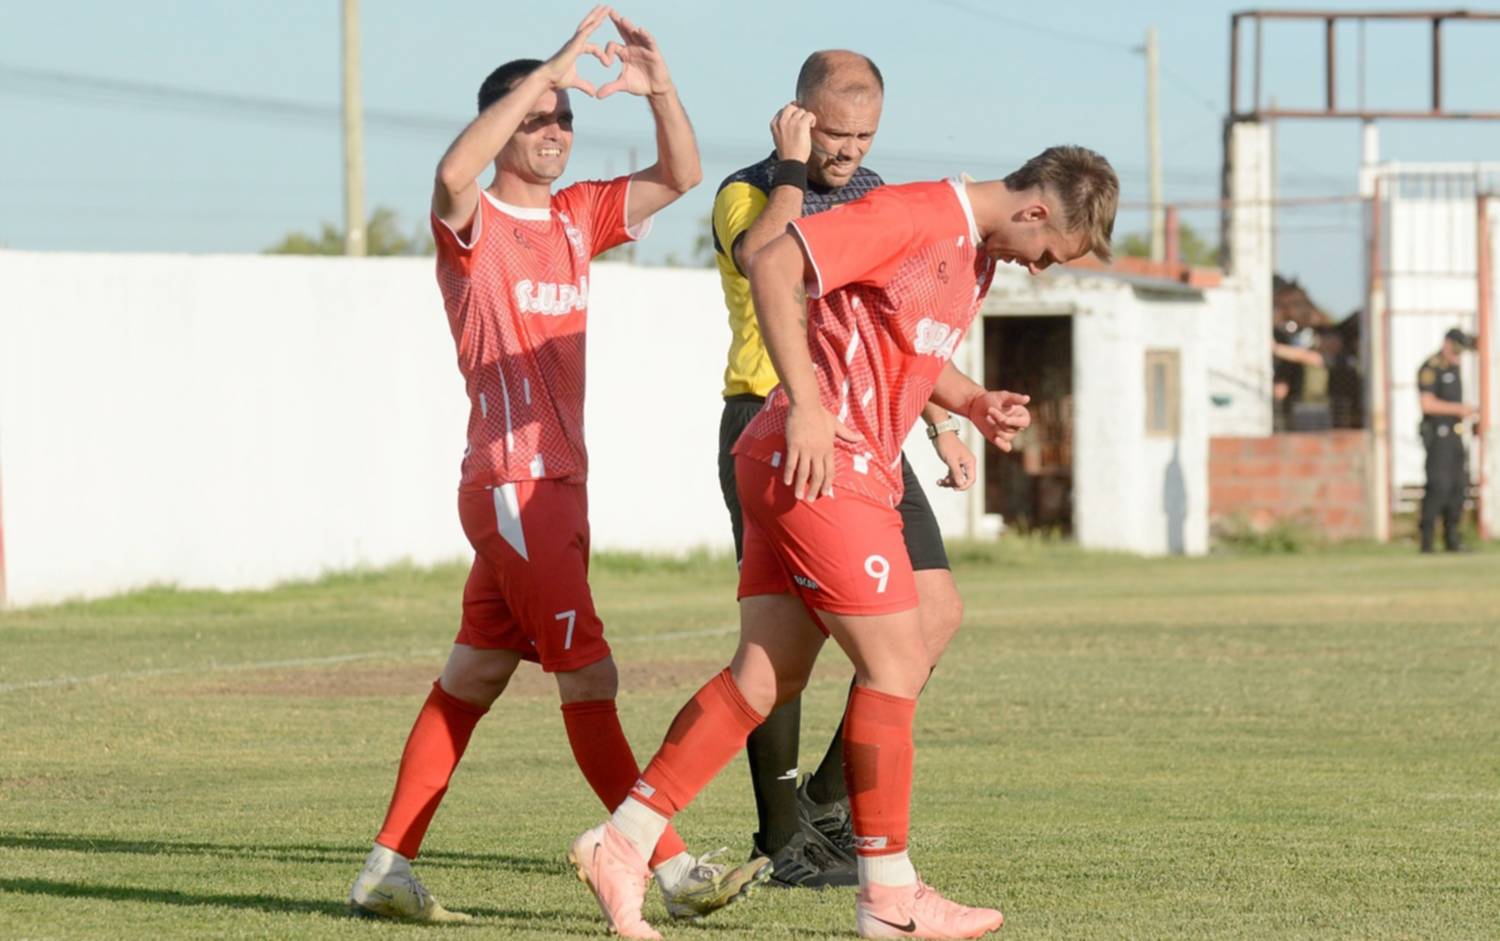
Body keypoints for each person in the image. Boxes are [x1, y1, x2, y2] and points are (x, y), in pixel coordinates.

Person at [570, 145, 1119, 940]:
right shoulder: (911, 214)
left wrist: (971, 399)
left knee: (765, 675)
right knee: (897, 659)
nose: (1041, 268)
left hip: (808, 462)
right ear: (1034, 211)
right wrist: (806, 404)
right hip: (823, 464)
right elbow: (769, 264)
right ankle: (890, 897)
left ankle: (621, 844)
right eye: (1050, 253)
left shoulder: (972, 251)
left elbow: (904, 347)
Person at [347, 6, 768, 922]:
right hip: (513, 486)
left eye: (565, 119)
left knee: (471, 679)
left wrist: (661, 91)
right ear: (504, 121)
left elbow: (682, 174)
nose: (556, 133)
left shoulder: (578, 217)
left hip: (555, 489)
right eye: (539, 117)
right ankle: (667, 866)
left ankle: (386, 866)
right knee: (590, 678)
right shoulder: (472, 220)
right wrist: (554, 67)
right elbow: (451, 171)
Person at [710, 49, 977, 889]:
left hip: (872, 433)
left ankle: (827, 805)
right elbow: (764, 256)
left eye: (864, 136)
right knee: (782, 646)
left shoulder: (876, 195)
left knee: (933, 613)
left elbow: (892, 327)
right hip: (776, 422)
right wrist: (793, 167)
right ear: (797, 116)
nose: (848, 151)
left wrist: (941, 419)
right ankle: (781, 838)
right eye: (832, 134)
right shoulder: (751, 188)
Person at [1417, 327, 1478, 553]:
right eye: (1456, 349)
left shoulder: (1455, 367)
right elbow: (1427, 404)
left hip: (1455, 434)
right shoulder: (1431, 368)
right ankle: (1427, 542)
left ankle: (1453, 540)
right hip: (1438, 434)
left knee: (1458, 487)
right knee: (1438, 486)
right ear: (1446, 343)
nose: (1458, 355)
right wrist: (1459, 409)